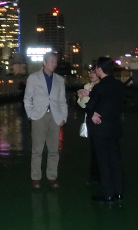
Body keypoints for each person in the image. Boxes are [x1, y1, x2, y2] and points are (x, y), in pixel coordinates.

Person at [24, 52, 68, 189]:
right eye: (51, 61)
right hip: (39, 116)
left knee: (54, 149)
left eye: (55, 61)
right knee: (37, 149)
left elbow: (62, 100)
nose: (54, 63)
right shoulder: (33, 77)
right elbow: (27, 99)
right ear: (44, 62)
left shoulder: (59, 79)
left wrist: (63, 117)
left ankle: (52, 177)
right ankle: (36, 178)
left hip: (55, 116)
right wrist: (31, 115)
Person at [86, 57, 125, 203]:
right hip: (114, 127)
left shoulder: (99, 87)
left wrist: (93, 113)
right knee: (115, 160)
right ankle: (119, 192)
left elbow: (90, 106)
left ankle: (108, 194)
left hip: (100, 128)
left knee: (103, 162)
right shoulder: (119, 85)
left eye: (96, 68)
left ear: (100, 69)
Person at [77, 67, 101, 185]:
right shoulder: (87, 86)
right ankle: (94, 175)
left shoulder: (102, 86)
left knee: (101, 149)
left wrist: (86, 97)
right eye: (90, 72)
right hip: (90, 120)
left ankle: (100, 175)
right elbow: (82, 105)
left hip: (100, 120)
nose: (91, 74)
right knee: (94, 148)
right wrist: (82, 97)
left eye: (94, 72)